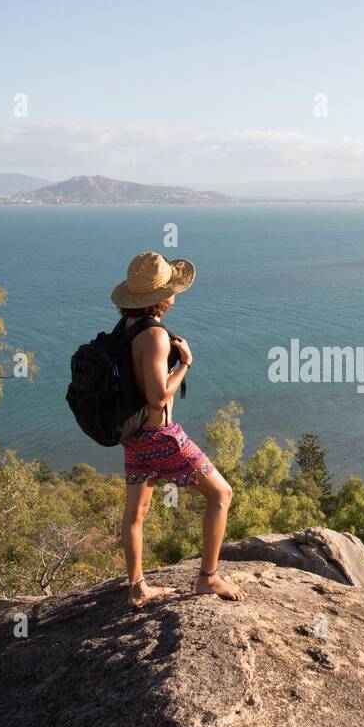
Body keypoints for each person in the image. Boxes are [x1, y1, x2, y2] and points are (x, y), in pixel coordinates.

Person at [111, 251, 245, 606]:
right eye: (171, 288)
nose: (174, 295)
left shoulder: (123, 330)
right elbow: (157, 398)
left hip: (134, 438)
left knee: (135, 514)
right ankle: (208, 578)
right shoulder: (154, 336)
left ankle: (137, 587)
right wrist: (185, 363)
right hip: (161, 437)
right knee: (221, 495)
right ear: (161, 297)